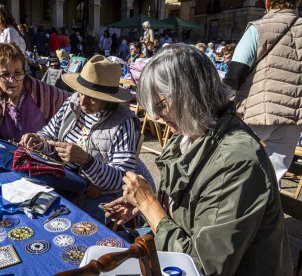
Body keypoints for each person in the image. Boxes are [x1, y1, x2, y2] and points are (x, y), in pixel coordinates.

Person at [104, 44, 292, 275]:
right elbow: (188, 210)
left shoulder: (236, 162)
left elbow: (201, 268)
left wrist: (149, 205)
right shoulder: (187, 135)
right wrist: (148, 208)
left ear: (192, 94)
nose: (154, 116)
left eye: (161, 105)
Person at [20, 55, 139, 222]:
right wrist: (38, 141)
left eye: (92, 96)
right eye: (82, 92)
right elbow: (49, 134)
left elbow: (121, 179)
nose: (83, 101)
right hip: (64, 182)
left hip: (96, 195)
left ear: (108, 99)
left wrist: (86, 161)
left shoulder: (123, 122)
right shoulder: (73, 102)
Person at [224, 0, 302, 184]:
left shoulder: (258, 29)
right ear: (298, 2)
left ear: (267, 3)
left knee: (232, 168)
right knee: (272, 177)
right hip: (293, 116)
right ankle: (263, 210)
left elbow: (235, 74)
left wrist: (218, 105)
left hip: (257, 110)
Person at [0, 43, 69, 142]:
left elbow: (73, 101)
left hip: (40, 158)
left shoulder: (41, 93)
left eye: (17, 73)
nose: (12, 80)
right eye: (5, 74)